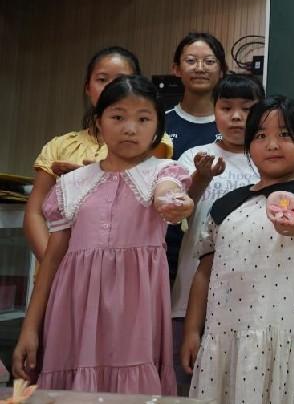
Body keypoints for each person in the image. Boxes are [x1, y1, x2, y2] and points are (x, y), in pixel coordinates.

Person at [12, 75, 194, 394]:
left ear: (157, 127)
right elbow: (52, 262)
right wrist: (30, 327)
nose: (130, 128)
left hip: (134, 316)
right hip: (72, 313)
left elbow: (169, 192)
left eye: (143, 119)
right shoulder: (71, 184)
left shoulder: (163, 172)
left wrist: (175, 202)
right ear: (98, 122)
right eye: (118, 117)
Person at [181, 96, 294, 403]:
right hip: (223, 336)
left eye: (285, 135)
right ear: (249, 145)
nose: (272, 145)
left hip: (284, 335)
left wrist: (285, 210)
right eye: (261, 136)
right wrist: (192, 330)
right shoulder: (225, 205)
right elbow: (204, 272)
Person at [24, 46, 172, 261]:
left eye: (120, 80)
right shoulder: (59, 145)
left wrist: (88, 177)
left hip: (123, 262)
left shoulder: (151, 140)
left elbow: (143, 199)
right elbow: (34, 213)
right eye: (102, 79)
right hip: (60, 263)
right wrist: (56, 266)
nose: (110, 87)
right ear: (88, 87)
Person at [169, 74, 263, 395]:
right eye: (226, 108)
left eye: (247, 109)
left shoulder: (266, 159)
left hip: (251, 300)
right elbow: (179, 210)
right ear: (215, 110)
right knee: (188, 385)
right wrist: (201, 178)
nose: (236, 116)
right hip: (191, 295)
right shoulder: (195, 156)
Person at [164, 32, 227, 286]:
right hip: (164, 243)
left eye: (209, 61)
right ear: (176, 69)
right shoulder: (160, 123)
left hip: (218, 245)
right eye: (191, 61)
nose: (200, 68)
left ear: (222, 70)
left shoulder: (234, 128)